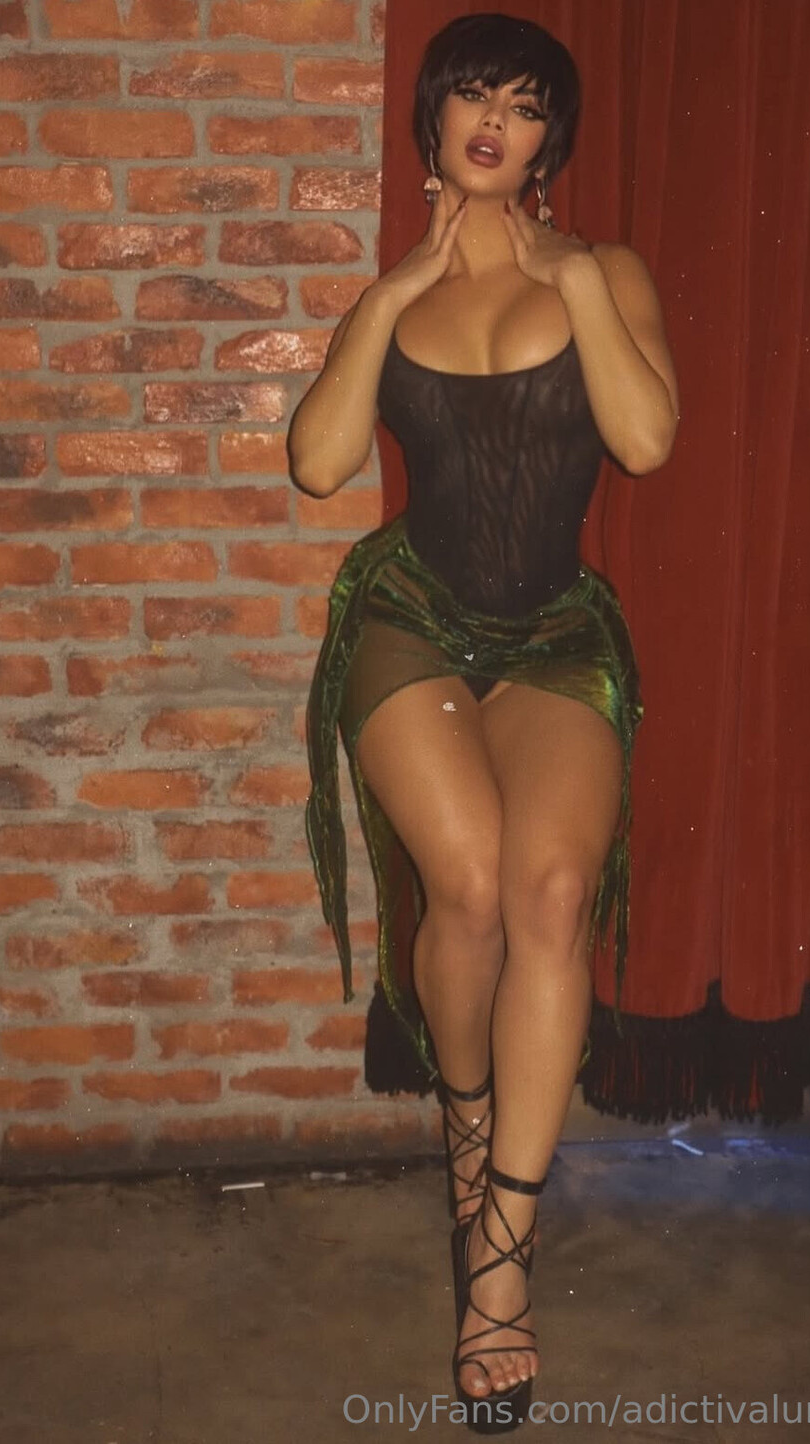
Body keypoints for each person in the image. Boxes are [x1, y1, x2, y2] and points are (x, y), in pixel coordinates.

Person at [288, 12, 678, 1433]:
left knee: (551, 894)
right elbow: (319, 464)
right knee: (461, 887)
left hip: (555, 634)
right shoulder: (399, 290)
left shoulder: (604, 271)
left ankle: (500, 1255)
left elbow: (644, 440)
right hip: (412, 618)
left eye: (524, 103)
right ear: (435, 122)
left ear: (550, 137)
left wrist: (573, 280)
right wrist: (393, 292)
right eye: (471, 96)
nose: (495, 121)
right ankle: (468, 1133)